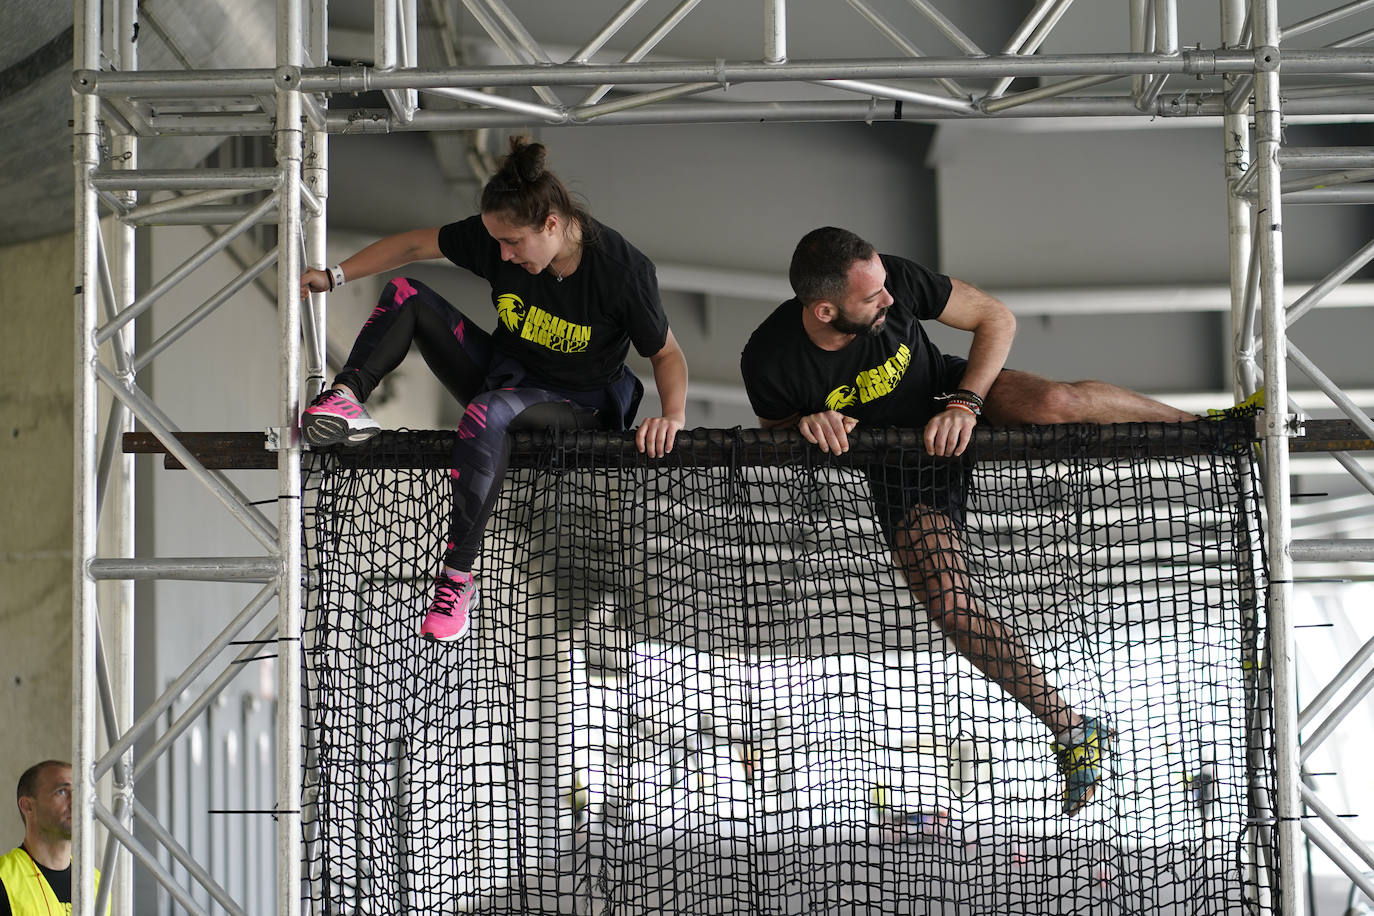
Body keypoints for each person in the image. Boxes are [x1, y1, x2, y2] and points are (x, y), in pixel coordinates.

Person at [740, 227, 1199, 816]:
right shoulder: (770, 358)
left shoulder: (894, 280)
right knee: (948, 603)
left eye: (885, 287)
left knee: (1054, 404)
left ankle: (1213, 424)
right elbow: (777, 428)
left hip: (950, 395)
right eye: (871, 298)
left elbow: (996, 319)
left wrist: (966, 402)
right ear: (826, 310)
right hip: (901, 464)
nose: (888, 301)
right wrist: (811, 423)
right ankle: (1074, 728)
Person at [300, 136, 688, 643]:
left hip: (579, 407)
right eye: (498, 244)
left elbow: (667, 354)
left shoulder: (621, 272)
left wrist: (673, 417)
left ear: (551, 224)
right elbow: (416, 245)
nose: (503, 255)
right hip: (507, 379)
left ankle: (457, 578)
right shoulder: (498, 240)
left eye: (513, 244)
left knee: (488, 411)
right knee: (408, 295)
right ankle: (347, 397)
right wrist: (335, 275)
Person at [0, 760, 101, 915]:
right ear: (27, 806)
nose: (75, 802)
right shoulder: (4, 877)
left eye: (78, 792)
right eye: (61, 792)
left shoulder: (96, 882)